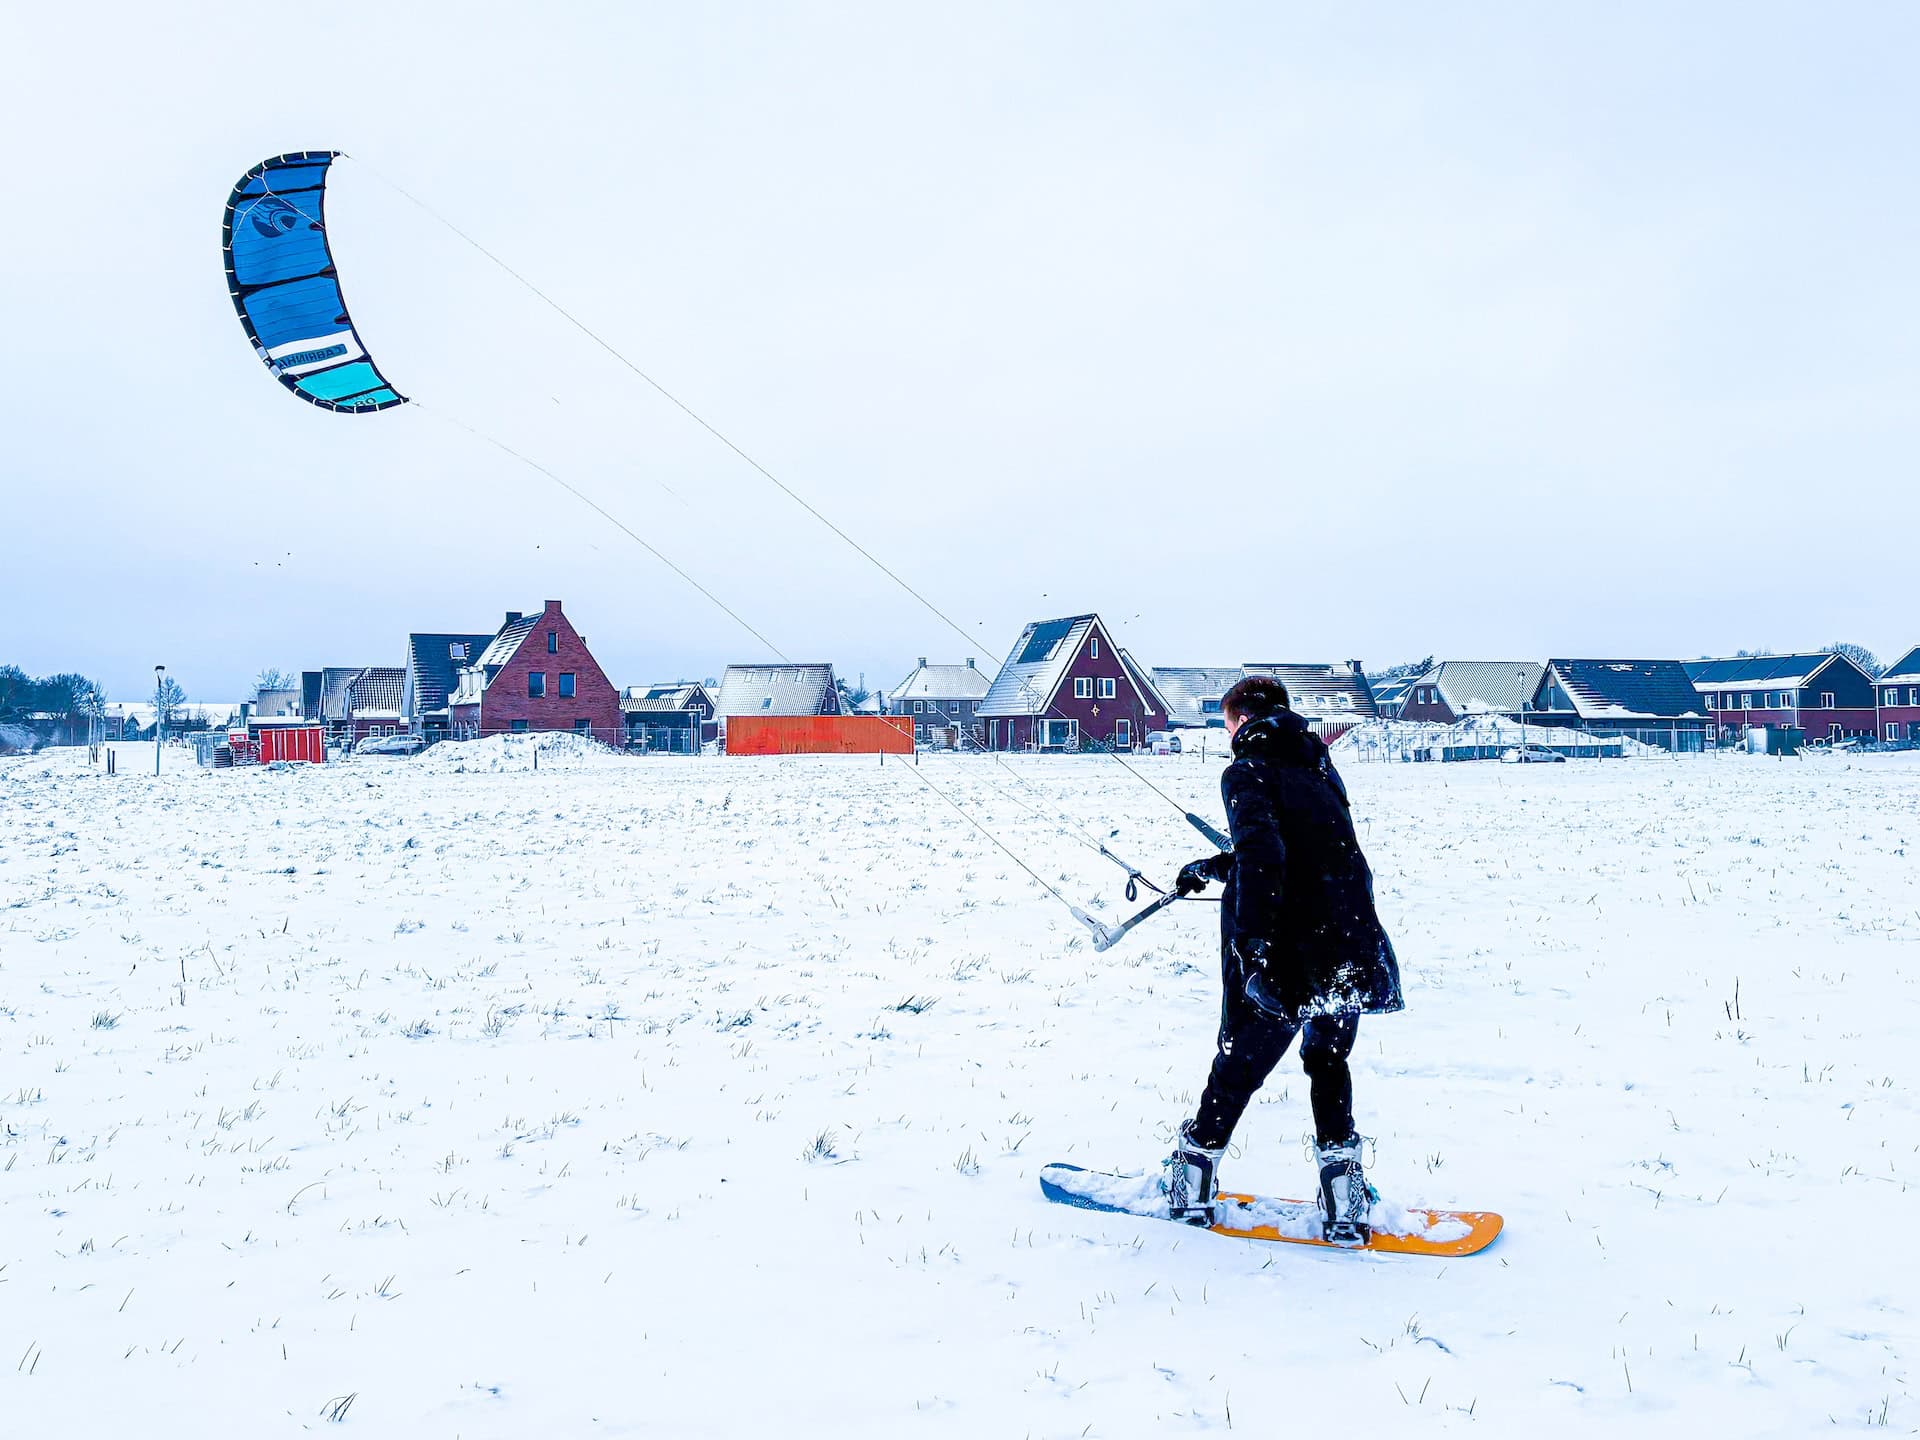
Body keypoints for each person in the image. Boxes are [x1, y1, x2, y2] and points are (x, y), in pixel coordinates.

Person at [1161, 675, 1404, 1244]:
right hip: (1350, 945)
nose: (1226, 737)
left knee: (1239, 1063)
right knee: (1327, 1062)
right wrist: (1215, 868)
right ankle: (1344, 1198)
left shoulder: (1244, 771)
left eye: (1226, 725)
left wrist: (1253, 952)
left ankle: (1193, 1180)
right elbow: (1299, 850)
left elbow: (1266, 855)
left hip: (1292, 953)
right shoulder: (1319, 766)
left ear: (1241, 719)